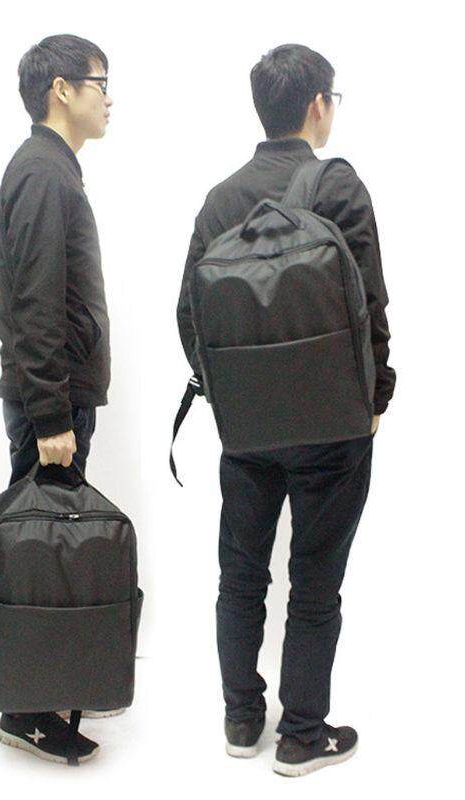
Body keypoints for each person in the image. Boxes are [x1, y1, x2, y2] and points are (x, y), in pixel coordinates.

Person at [176, 44, 396, 777]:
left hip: (247, 432)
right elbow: (370, 303)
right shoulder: (338, 186)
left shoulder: (221, 200)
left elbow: (189, 315)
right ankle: (302, 734)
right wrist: (375, 397)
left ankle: (242, 719)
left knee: (240, 576)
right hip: (334, 426)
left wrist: (231, 398)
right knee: (315, 581)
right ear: (317, 105)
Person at [0, 34, 114, 763]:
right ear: (61, 89)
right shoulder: (42, 172)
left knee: (47, 550)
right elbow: (34, 304)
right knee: (37, 556)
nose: (109, 98)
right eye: (101, 82)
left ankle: (41, 691)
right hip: (51, 405)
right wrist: (51, 418)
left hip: (57, 398)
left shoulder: (52, 168)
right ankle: (25, 711)